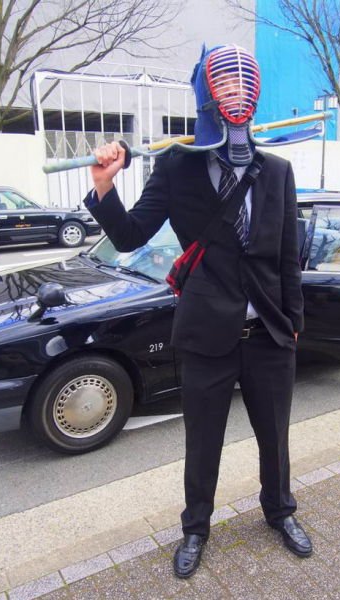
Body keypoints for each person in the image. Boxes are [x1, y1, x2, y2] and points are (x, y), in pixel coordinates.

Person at [84, 44, 312, 579]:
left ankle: (280, 512)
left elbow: (287, 256)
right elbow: (129, 236)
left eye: (244, 83)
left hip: (269, 332)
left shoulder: (276, 170)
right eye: (226, 83)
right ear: (207, 94)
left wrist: (294, 322)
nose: (237, 92)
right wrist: (104, 186)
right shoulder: (177, 165)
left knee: (276, 435)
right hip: (206, 331)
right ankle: (195, 529)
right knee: (203, 439)